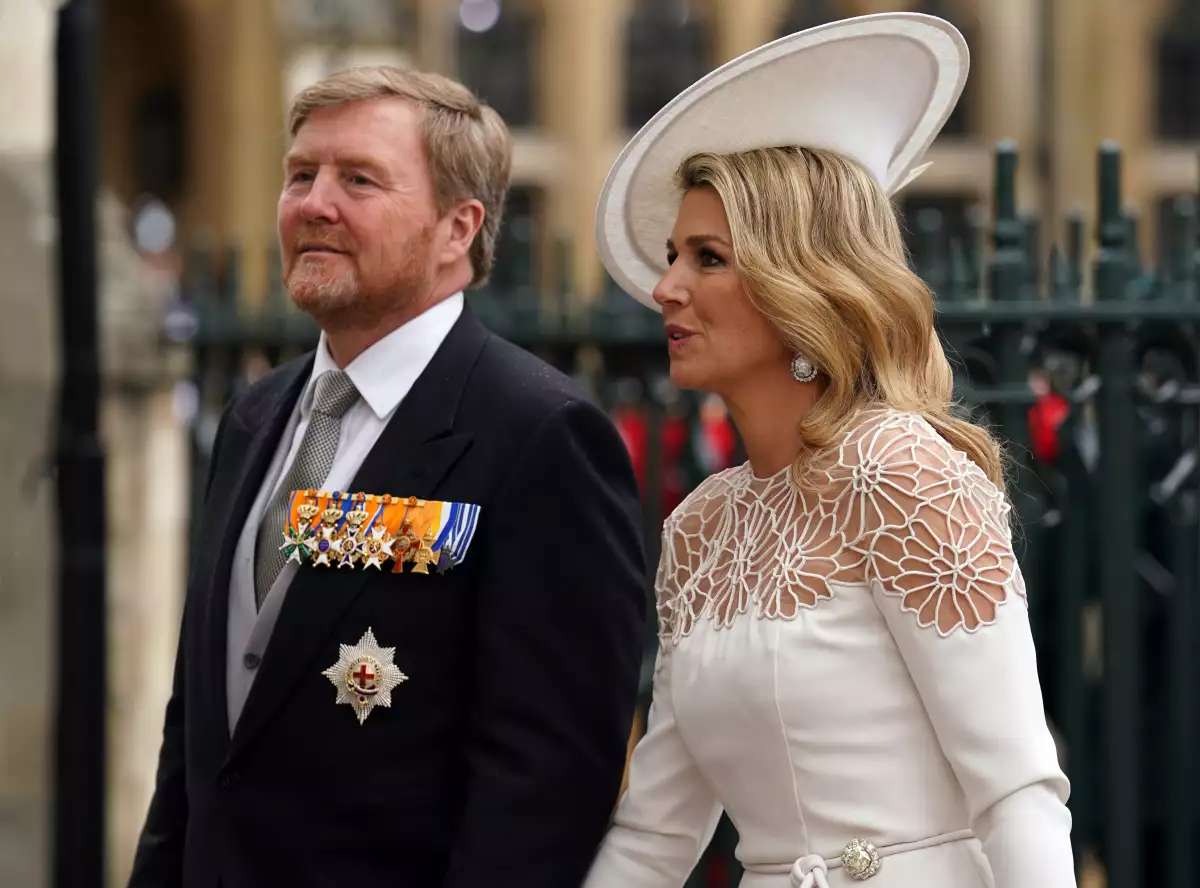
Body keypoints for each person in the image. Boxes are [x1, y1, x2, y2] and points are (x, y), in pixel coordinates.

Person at [584, 13, 1076, 888]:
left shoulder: (900, 468)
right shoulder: (701, 525)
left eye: (708, 259)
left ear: (798, 279)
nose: (665, 289)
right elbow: (659, 834)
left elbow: (1017, 790)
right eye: (672, 258)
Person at [127, 65, 649, 888]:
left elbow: (547, 782)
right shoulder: (255, 416)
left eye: (359, 179)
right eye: (301, 175)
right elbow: (198, 731)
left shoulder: (539, 435)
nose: (313, 204)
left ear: (457, 228)